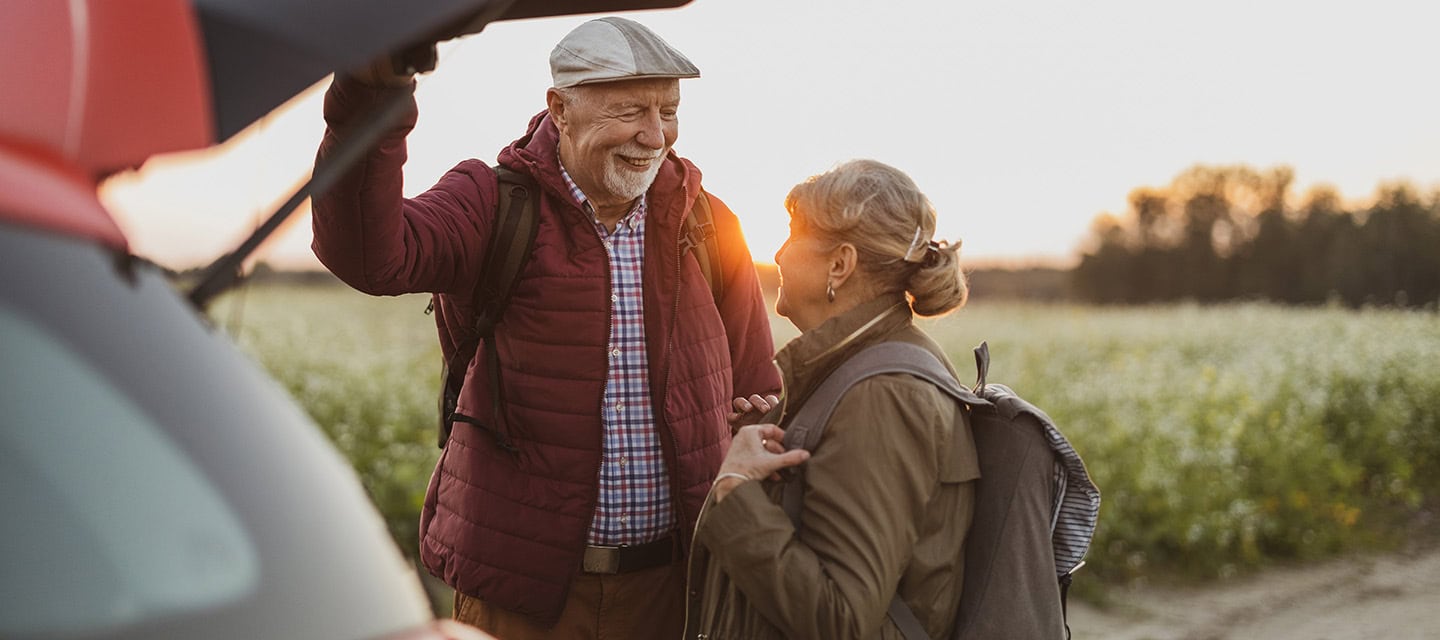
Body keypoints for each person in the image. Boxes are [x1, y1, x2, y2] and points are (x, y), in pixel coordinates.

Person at [309, 16, 781, 640]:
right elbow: (369, 255)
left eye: (668, 110)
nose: (654, 134)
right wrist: (372, 96)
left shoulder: (709, 224)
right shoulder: (492, 202)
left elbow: (756, 388)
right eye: (630, 110)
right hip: (523, 599)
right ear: (560, 108)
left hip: (674, 593)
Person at [686, 159, 979, 639]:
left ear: (839, 264)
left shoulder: (884, 396)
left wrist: (737, 491)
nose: (778, 253)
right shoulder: (860, 368)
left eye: (792, 234)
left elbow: (837, 619)